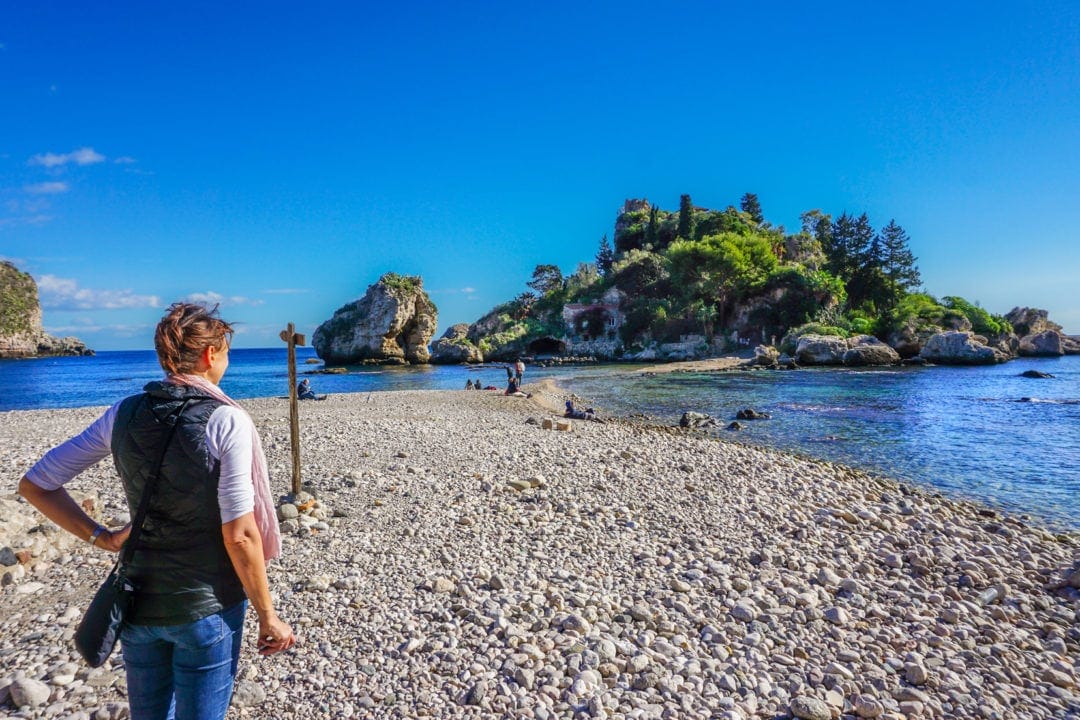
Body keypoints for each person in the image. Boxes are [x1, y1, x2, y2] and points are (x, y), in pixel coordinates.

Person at [18, 302, 295, 720]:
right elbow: (239, 534)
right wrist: (268, 615)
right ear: (209, 355)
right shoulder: (226, 420)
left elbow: (36, 483)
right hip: (208, 603)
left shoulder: (123, 413)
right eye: (225, 350)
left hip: (138, 602)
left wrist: (103, 537)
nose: (226, 359)